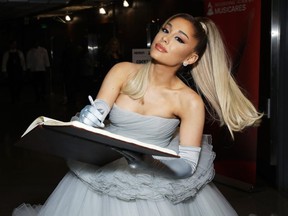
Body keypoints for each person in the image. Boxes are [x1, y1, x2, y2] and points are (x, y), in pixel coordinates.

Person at [12, 13, 263, 216]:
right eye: (166, 30)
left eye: (179, 39)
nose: (165, 39)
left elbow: (187, 167)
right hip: (102, 173)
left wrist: (146, 161)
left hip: (153, 183)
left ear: (191, 57)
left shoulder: (189, 101)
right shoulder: (123, 71)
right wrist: (90, 118)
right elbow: (100, 107)